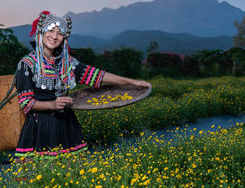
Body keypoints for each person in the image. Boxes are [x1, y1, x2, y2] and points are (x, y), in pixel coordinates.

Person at [15, 11, 151, 158]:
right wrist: (52, 105)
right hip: (40, 127)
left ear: (64, 38)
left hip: (67, 125)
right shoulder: (27, 64)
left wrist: (132, 82)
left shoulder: (67, 62)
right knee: (41, 175)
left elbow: (99, 75)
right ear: (41, 32)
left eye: (60, 33)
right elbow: (26, 103)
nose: (54, 36)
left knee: (73, 174)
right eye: (50, 30)